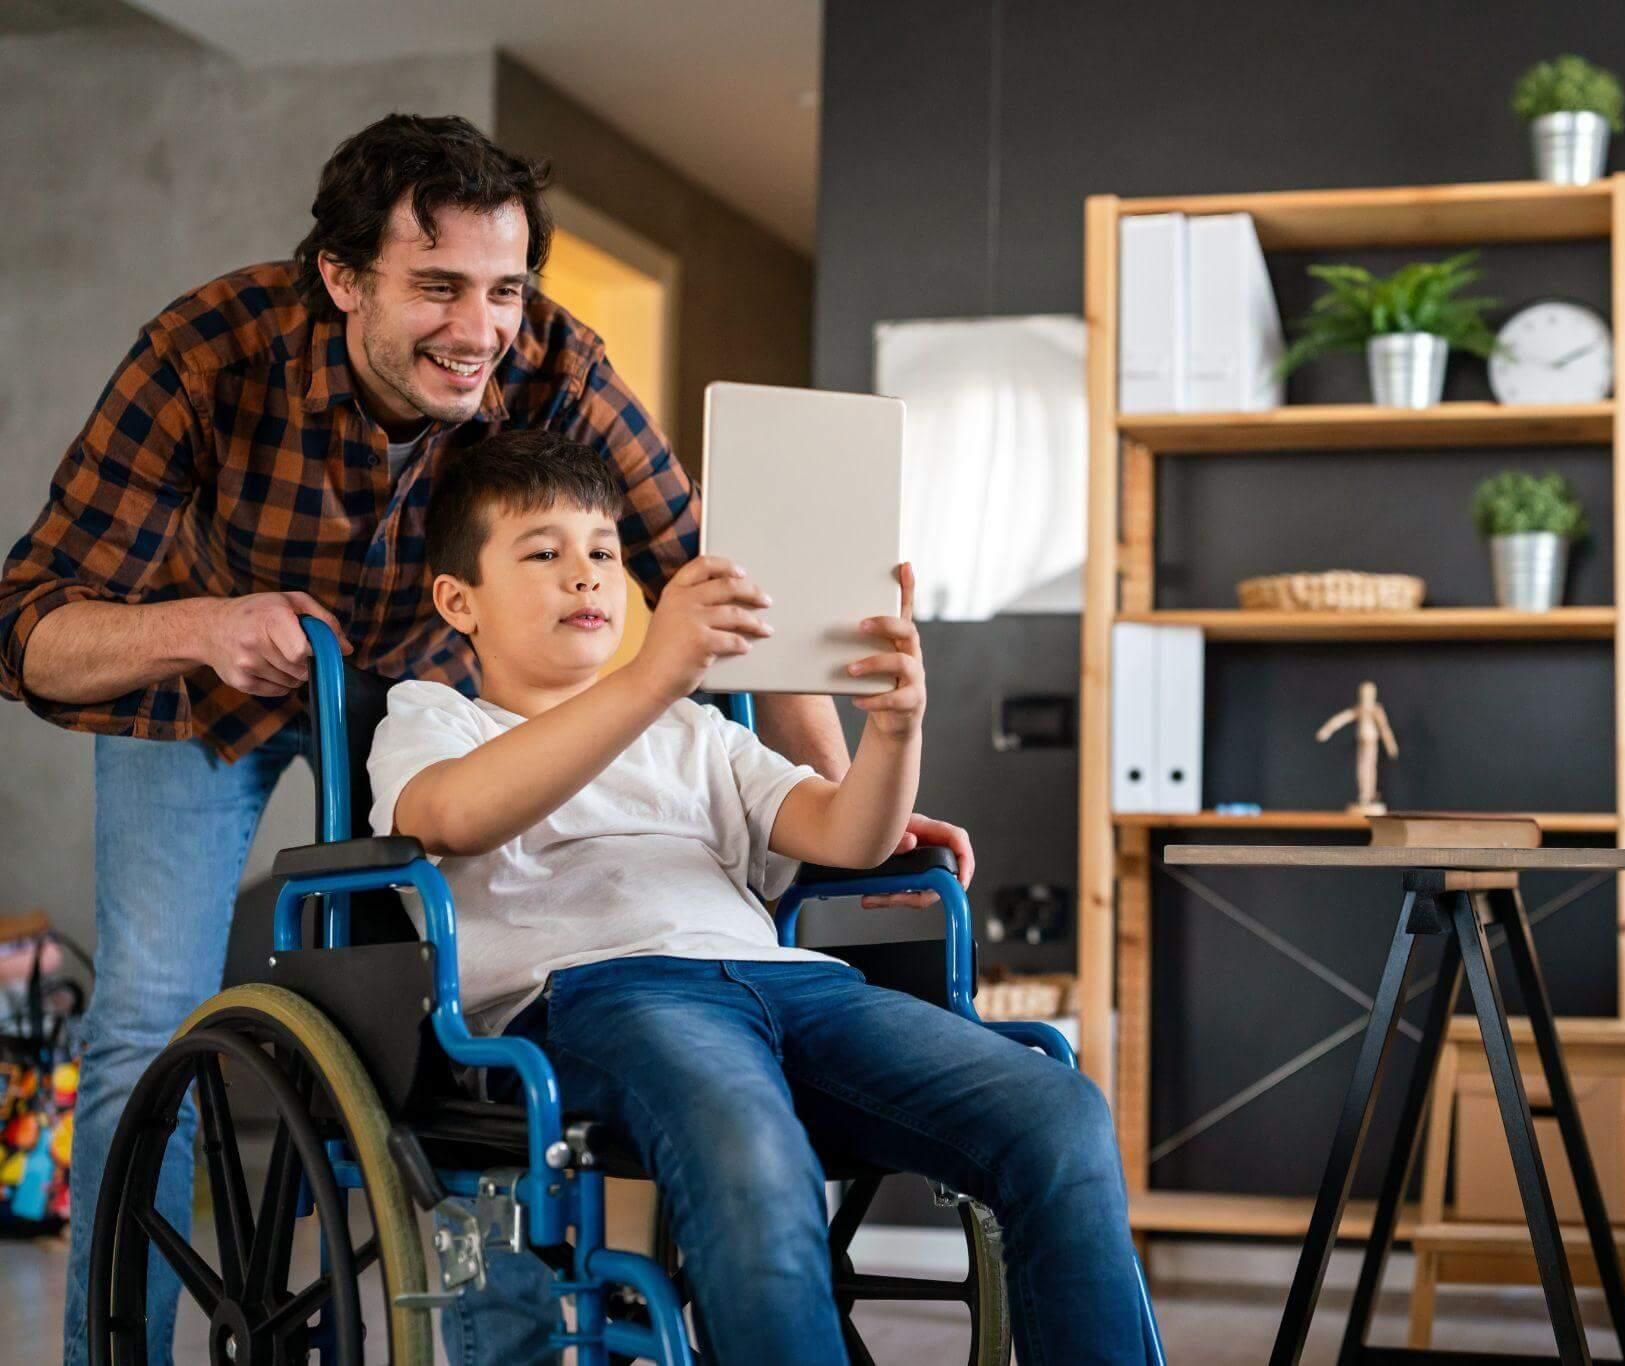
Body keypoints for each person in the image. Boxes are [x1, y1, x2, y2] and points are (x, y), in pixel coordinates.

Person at [0, 113, 972, 1366]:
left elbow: (729, 588)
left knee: (442, 1004)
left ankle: (497, 1331)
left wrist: (845, 818)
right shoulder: (206, 353)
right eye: (437, 286)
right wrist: (196, 625)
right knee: (148, 1020)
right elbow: (26, 628)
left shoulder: (554, 359)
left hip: (430, 700)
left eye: (502, 288)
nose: (478, 328)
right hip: (208, 677)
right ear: (340, 278)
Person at [364, 430, 1146, 1364]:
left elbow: (846, 835)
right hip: (600, 995)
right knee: (749, 1142)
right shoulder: (433, 718)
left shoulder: (698, 733)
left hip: (794, 988)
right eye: (544, 554)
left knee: (1058, 1114)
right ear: (460, 600)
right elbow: (448, 818)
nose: (587, 577)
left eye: (605, 554)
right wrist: (656, 672)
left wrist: (896, 729)